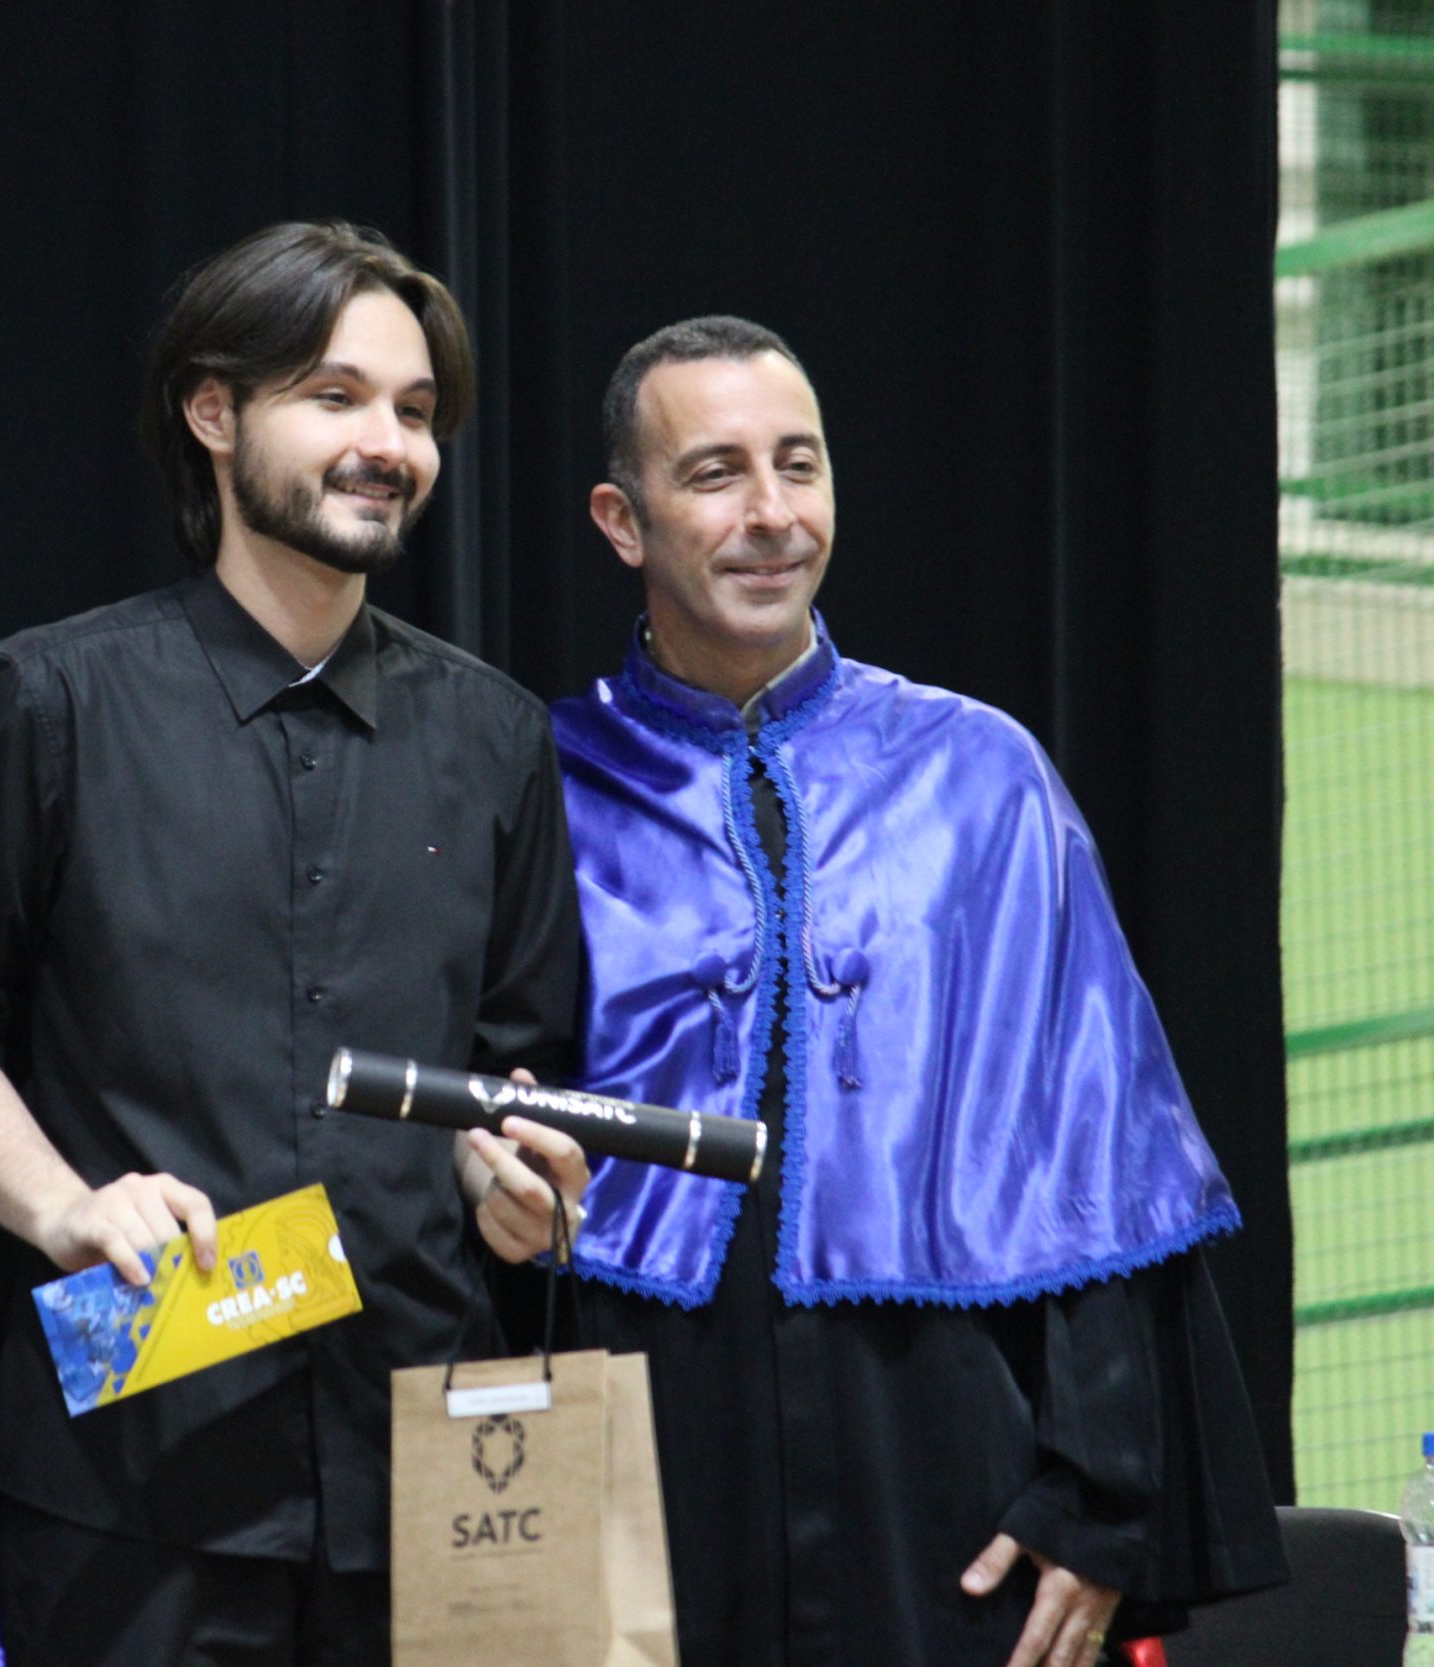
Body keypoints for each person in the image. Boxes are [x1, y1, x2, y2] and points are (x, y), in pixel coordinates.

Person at [0, 219, 592, 1665]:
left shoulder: (497, 735)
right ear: (213, 413)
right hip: (134, 1458)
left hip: (433, 1459)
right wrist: (65, 1207)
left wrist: (510, 1175)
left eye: (414, 410)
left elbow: (510, 1071)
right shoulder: (49, 701)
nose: (387, 443)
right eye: (335, 396)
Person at [551, 315, 1287, 1667]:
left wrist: (1098, 1494)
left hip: (944, 1484)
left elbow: (1100, 1151)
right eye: (715, 473)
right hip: (631, 1465)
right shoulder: (537, 782)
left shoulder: (981, 776)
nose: (772, 514)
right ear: (621, 519)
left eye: (800, 465)